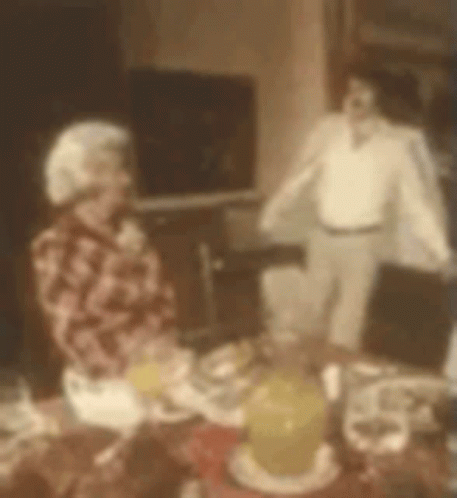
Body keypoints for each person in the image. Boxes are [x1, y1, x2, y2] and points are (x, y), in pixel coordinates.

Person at [260, 61, 451, 352]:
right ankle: (305, 375)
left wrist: (443, 254)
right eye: (350, 90)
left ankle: (339, 375)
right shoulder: (327, 133)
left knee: (347, 328)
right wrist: (271, 216)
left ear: (378, 96)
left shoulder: (395, 146)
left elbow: (416, 206)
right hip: (322, 240)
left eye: (363, 89)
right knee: (310, 320)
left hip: (363, 246)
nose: (355, 96)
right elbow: (299, 178)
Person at [31, 120, 177, 379]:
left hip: (159, 367)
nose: (127, 180)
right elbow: (72, 335)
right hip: (107, 381)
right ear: (87, 181)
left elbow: (164, 305)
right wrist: (136, 362)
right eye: (117, 171)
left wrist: (161, 350)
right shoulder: (58, 246)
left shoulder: (133, 234)